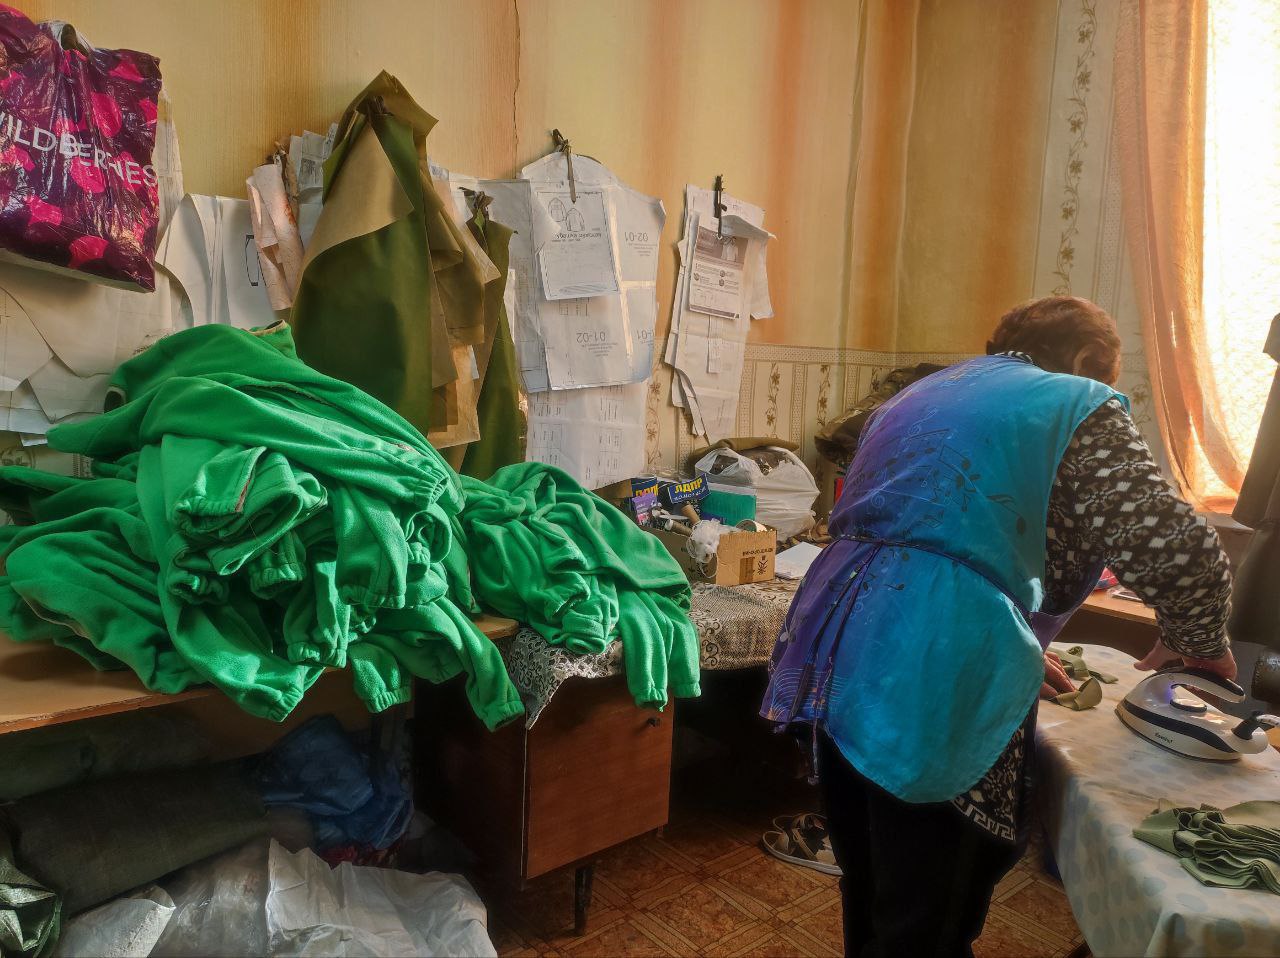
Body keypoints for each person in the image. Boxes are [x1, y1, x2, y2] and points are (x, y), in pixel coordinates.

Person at [760, 296, 1236, 958]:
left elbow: (944, 533)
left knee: (870, 875)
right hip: (937, 652)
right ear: (1087, 359)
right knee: (929, 907)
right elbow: (1175, 549)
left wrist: (1004, 643)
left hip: (839, 634)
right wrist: (1201, 642)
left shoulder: (916, 396)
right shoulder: (1073, 400)